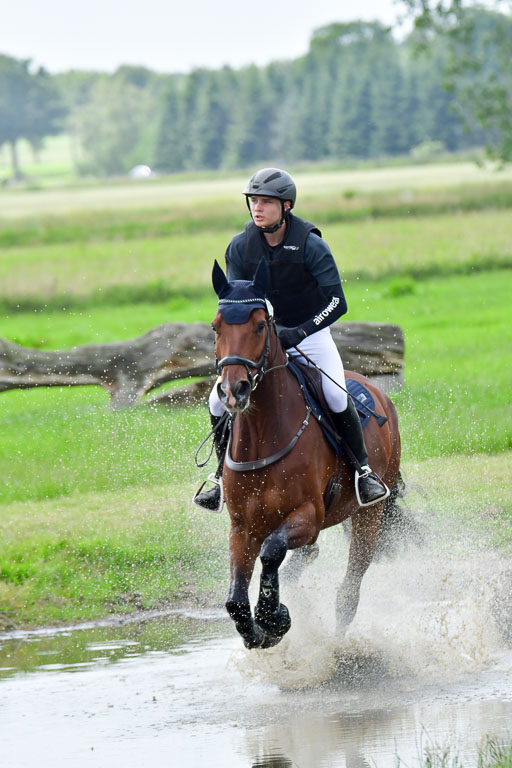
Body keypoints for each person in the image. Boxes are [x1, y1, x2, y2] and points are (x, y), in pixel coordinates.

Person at [193, 167, 389, 512]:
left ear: (286, 206)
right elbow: (238, 302)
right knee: (215, 401)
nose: (257, 208)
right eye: (253, 201)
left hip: (308, 334)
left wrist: (298, 332)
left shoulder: (311, 245)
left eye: (266, 202)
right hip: (259, 340)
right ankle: (218, 477)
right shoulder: (240, 247)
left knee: (333, 393)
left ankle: (363, 471)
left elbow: (336, 302)